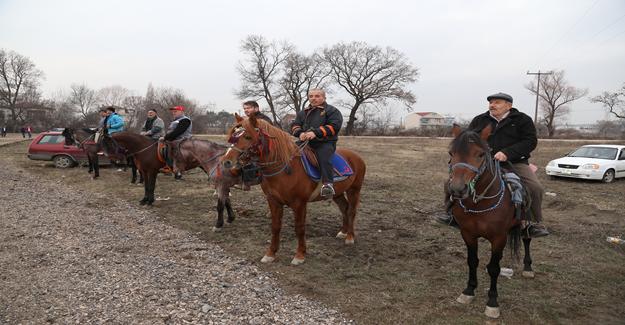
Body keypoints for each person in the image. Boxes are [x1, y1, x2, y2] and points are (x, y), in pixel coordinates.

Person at [435, 92, 549, 238]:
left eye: (497, 102)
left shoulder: (522, 120)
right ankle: (450, 214)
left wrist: (507, 152)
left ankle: (532, 223)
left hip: (513, 162)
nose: (492, 105)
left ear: (509, 106)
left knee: (534, 187)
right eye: (491, 102)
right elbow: (469, 140)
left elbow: (530, 141)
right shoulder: (480, 120)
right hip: (483, 161)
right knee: (451, 182)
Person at [290, 89, 343, 199]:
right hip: (304, 142)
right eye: (311, 96)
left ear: (324, 97)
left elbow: (334, 126)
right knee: (289, 152)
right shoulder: (303, 112)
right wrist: (300, 133)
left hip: (324, 142)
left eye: (317, 96)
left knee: (324, 157)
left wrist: (316, 132)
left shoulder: (332, 111)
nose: (313, 98)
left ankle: (328, 184)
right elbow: (295, 125)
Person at [160, 105, 192, 179]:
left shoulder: (185, 120)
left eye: (175, 111)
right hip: (174, 139)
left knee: (169, 147)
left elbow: (178, 132)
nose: (173, 113)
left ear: (181, 112)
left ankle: (170, 167)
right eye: (173, 112)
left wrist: (165, 138)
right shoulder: (175, 120)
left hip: (182, 139)